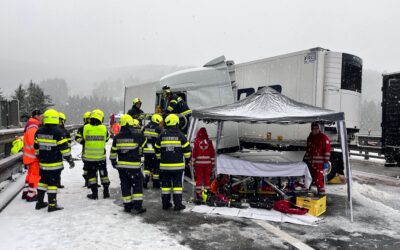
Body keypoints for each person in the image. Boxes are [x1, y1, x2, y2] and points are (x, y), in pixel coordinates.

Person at [34, 109, 75, 212]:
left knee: (42, 181)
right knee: (53, 183)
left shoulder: (39, 131)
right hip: (54, 163)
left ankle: (39, 202)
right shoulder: (58, 132)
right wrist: (70, 160)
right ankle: (52, 205)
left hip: (43, 163)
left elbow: (36, 147)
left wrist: (39, 156)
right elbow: (64, 149)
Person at [110, 114, 147, 214]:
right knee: (137, 186)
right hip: (134, 166)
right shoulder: (138, 135)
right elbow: (144, 145)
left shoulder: (117, 137)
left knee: (125, 186)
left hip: (122, 167)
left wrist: (114, 162)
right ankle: (137, 207)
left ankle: (127, 206)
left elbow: (113, 152)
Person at [155, 114, 191, 211]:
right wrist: (187, 160)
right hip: (177, 167)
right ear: (176, 123)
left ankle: (165, 204)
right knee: (177, 186)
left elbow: (157, 148)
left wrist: (159, 159)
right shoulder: (180, 136)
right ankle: (178, 205)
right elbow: (187, 150)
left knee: (165, 187)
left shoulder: (162, 135)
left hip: (164, 167)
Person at [83, 109, 110, 199]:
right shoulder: (103, 128)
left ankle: (94, 194)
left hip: (89, 158)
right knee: (104, 174)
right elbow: (107, 139)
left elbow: (84, 138)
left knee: (92, 176)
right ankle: (106, 192)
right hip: (101, 157)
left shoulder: (86, 127)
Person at [22, 109, 43, 201]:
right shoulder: (33, 127)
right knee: (35, 175)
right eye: (41, 115)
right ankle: (31, 195)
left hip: (28, 155)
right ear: (36, 116)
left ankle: (26, 192)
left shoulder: (30, 125)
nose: (42, 117)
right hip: (33, 156)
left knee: (30, 174)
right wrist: (38, 153)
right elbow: (32, 142)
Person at [305, 122, 331, 195]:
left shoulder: (323, 137)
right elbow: (308, 150)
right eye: (314, 129)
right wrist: (307, 160)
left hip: (320, 164)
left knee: (318, 179)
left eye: (317, 129)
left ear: (319, 129)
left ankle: (322, 194)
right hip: (311, 163)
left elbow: (327, 150)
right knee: (309, 178)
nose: (315, 130)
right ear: (311, 129)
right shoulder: (310, 138)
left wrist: (326, 162)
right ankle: (308, 193)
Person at [192, 127, 215, 200]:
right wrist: (213, 163)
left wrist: (193, 162)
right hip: (208, 164)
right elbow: (212, 153)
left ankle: (199, 193)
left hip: (198, 164)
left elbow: (194, 153)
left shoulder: (196, 142)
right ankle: (207, 193)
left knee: (199, 178)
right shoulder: (209, 142)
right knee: (207, 179)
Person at [143, 114, 163, 189]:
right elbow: (161, 140)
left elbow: (142, 138)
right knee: (156, 167)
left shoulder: (145, 128)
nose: (161, 124)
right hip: (155, 151)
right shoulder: (158, 129)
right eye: (160, 122)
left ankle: (145, 180)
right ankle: (156, 183)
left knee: (147, 167)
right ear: (157, 120)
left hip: (146, 151)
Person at [75, 111, 91, 187]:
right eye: (88, 119)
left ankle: (94, 182)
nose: (89, 120)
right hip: (85, 151)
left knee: (94, 168)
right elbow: (77, 138)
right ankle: (87, 181)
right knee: (86, 167)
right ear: (85, 119)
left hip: (95, 151)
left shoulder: (96, 128)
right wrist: (83, 142)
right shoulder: (82, 128)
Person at [57, 112, 71, 189]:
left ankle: (51, 183)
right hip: (60, 152)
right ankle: (57, 183)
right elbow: (68, 142)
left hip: (50, 152)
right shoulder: (64, 130)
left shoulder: (48, 129)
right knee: (58, 168)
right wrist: (68, 155)